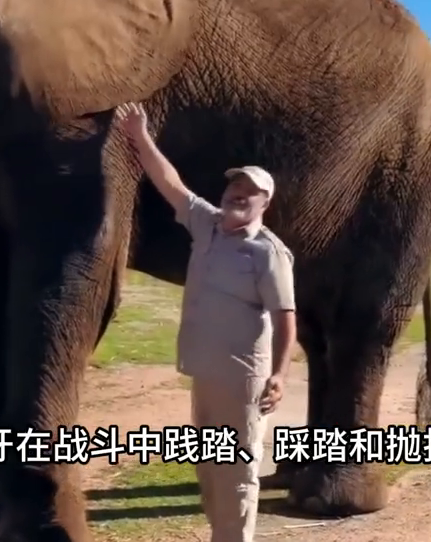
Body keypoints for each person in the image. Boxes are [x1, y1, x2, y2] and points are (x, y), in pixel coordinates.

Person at [116, 101, 297, 542]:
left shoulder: (268, 253)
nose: (238, 194)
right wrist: (140, 136)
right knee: (209, 466)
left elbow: (284, 315)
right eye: (234, 186)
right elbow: (169, 182)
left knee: (237, 471)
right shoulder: (207, 224)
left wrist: (279, 374)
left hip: (243, 379)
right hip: (205, 373)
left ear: (265, 202)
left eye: (249, 191)